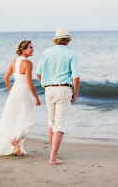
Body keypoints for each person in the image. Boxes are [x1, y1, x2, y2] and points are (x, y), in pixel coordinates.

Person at [36, 28, 80, 165]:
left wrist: (46, 83)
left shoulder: (46, 52)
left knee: (52, 122)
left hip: (49, 90)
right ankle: (53, 158)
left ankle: (53, 151)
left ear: (56, 39)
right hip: (64, 90)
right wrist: (76, 93)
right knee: (60, 125)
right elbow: (76, 78)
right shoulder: (72, 54)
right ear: (67, 40)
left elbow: (38, 73)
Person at [0, 40, 41, 157]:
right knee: (27, 118)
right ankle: (16, 140)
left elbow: (6, 77)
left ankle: (16, 148)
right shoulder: (28, 63)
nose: (33, 49)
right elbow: (29, 82)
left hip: (15, 90)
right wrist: (36, 97)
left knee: (15, 118)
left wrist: (10, 89)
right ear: (24, 50)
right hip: (24, 91)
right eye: (30, 47)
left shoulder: (14, 62)